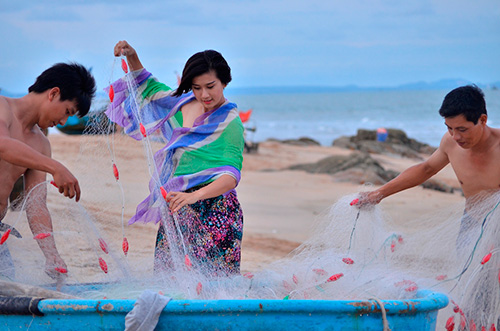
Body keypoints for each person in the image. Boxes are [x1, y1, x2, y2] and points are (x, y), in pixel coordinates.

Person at [356, 85, 500, 327]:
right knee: (476, 290)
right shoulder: (451, 143)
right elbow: (425, 169)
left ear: (482, 120)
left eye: (462, 129)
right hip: (471, 224)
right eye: (450, 129)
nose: (456, 136)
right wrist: (379, 194)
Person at [107, 41, 244, 276]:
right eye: (197, 87)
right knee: (169, 279)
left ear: (224, 82)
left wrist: (194, 197)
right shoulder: (183, 103)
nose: (204, 94)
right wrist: (132, 57)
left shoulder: (230, 122)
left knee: (214, 285)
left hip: (216, 209)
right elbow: (150, 88)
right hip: (178, 206)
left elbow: (231, 175)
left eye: (210, 86)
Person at [0, 62, 96, 280]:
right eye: (67, 112)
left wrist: (52, 255)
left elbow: (36, 204)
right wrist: (55, 167)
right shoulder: (2, 107)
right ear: (53, 93)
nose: (62, 121)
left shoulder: (41, 144)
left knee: (10, 299)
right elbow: (2, 145)